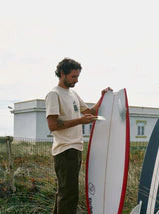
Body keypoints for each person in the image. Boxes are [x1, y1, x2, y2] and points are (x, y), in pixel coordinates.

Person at [45, 58, 112, 214]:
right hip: (65, 150)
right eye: (73, 77)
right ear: (62, 73)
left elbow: (90, 113)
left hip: (75, 148)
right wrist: (80, 121)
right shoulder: (53, 94)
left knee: (64, 193)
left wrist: (102, 97)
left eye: (77, 76)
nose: (76, 80)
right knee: (69, 195)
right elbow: (53, 125)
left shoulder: (73, 93)